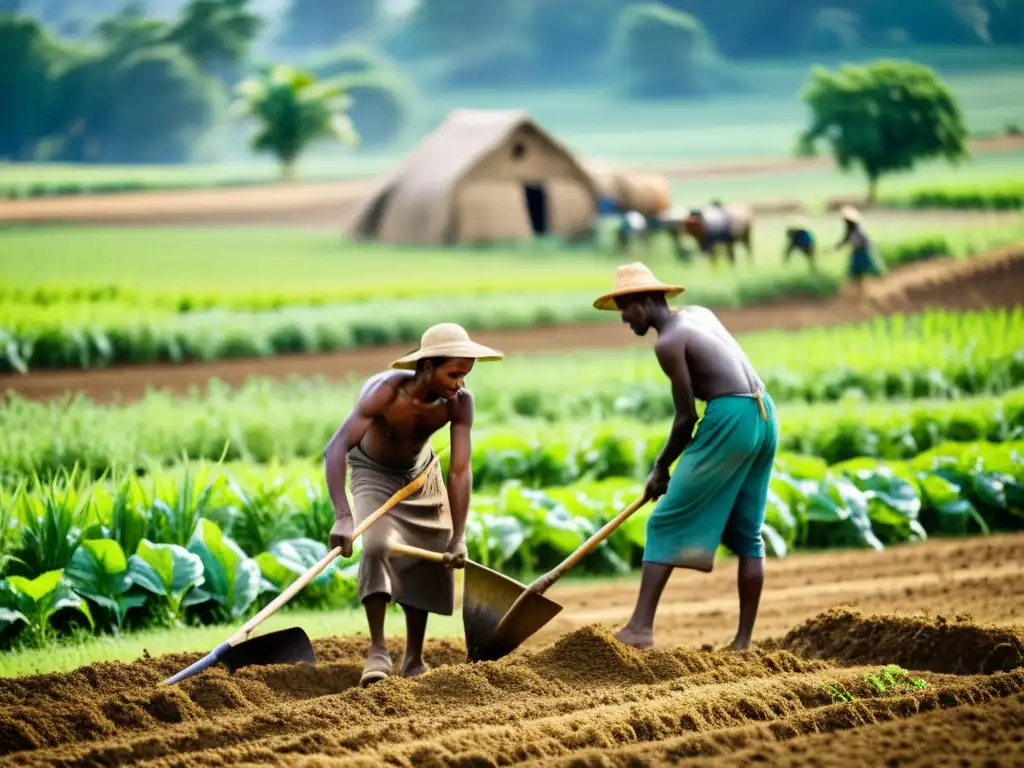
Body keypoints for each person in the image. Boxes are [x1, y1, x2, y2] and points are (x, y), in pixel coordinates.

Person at [591, 262, 779, 652]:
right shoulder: (699, 315)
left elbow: (686, 417)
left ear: (642, 302)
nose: (625, 319)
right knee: (748, 532)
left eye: (625, 309)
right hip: (764, 412)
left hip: (729, 417)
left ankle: (640, 628)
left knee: (664, 521)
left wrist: (661, 468)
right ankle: (743, 641)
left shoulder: (668, 342)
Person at [323, 322, 503, 686]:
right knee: (375, 545)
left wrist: (458, 536)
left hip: (422, 474)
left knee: (430, 553)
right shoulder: (384, 393)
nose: (460, 384)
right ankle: (377, 650)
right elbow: (336, 447)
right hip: (373, 471)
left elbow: (460, 470)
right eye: (453, 374)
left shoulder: (460, 404)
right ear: (426, 367)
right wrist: (343, 516)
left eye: (465, 375)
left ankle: (414, 657)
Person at [833, 205, 884, 297]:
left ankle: (865, 292)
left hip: (863, 253)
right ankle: (859, 292)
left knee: (864, 273)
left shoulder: (858, 231)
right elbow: (844, 241)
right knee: (856, 275)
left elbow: (865, 242)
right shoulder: (850, 231)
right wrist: (835, 248)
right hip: (856, 253)